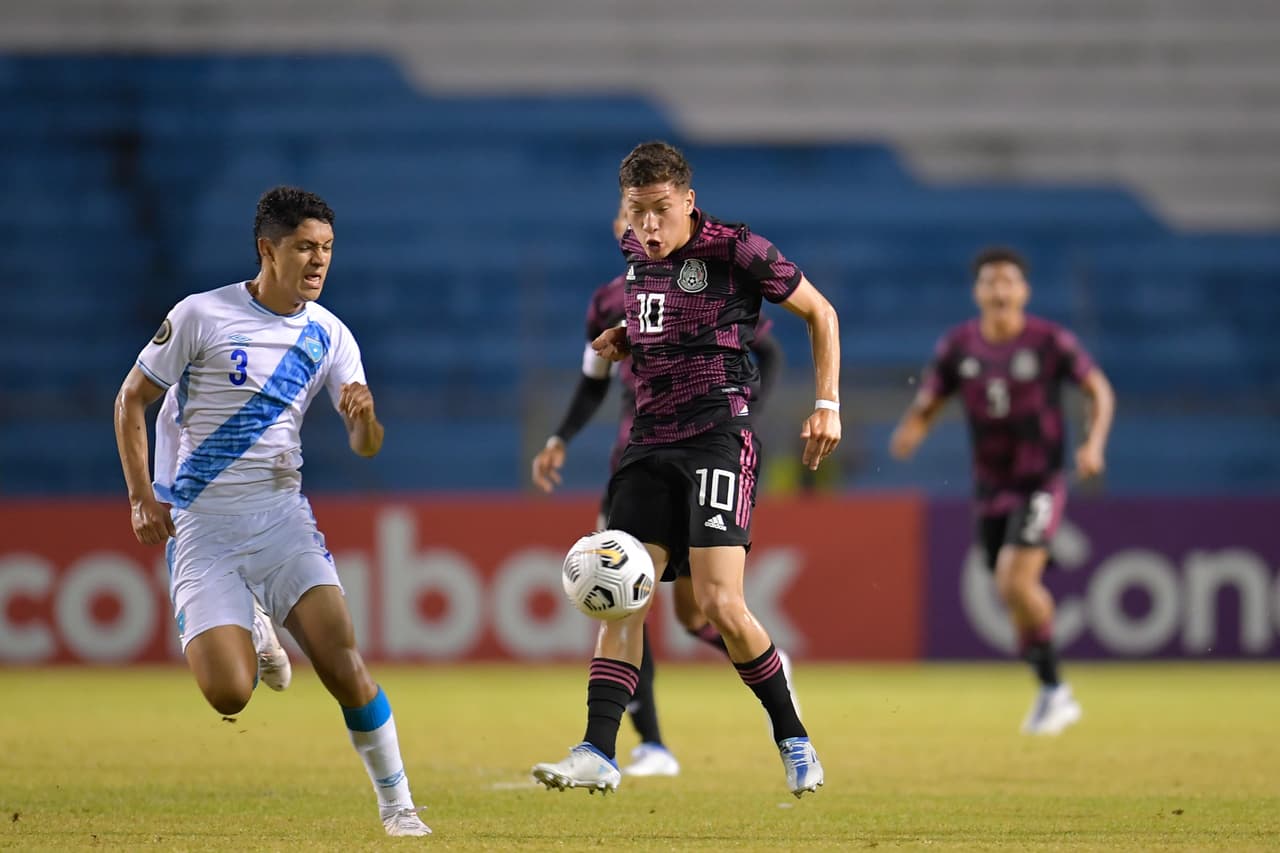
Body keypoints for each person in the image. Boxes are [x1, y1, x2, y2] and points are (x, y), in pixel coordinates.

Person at [113, 186, 430, 836]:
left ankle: (399, 806)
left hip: (282, 519)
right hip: (203, 526)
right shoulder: (202, 315)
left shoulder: (330, 334)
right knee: (229, 693)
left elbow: (367, 446)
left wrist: (365, 421)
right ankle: (253, 624)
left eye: (327, 248)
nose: (319, 261)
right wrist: (142, 496)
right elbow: (130, 400)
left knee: (343, 665)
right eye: (305, 247)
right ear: (268, 249)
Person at [531, 141, 840, 798]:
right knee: (624, 594)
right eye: (636, 211)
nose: (647, 226)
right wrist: (625, 338)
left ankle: (793, 738)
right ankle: (598, 750)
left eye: (660, 210)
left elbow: (821, 313)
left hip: (717, 441)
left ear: (689, 202)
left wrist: (826, 405)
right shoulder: (634, 255)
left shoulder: (736, 249)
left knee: (719, 604)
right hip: (647, 445)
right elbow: (658, 320)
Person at [889, 246, 1115, 736]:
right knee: (1009, 588)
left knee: (1015, 582)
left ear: (1024, 291)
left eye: (1008, 281)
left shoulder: (1049, 342)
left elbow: (1099, 389)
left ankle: (1056, 690)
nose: (999, 290)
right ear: (977, 292)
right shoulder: (959, 346)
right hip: (991, 487)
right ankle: (1051, 688)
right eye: (990, 282)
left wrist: (1093, 443)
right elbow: (932, 397)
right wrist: (913, 429)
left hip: (1040, 481)